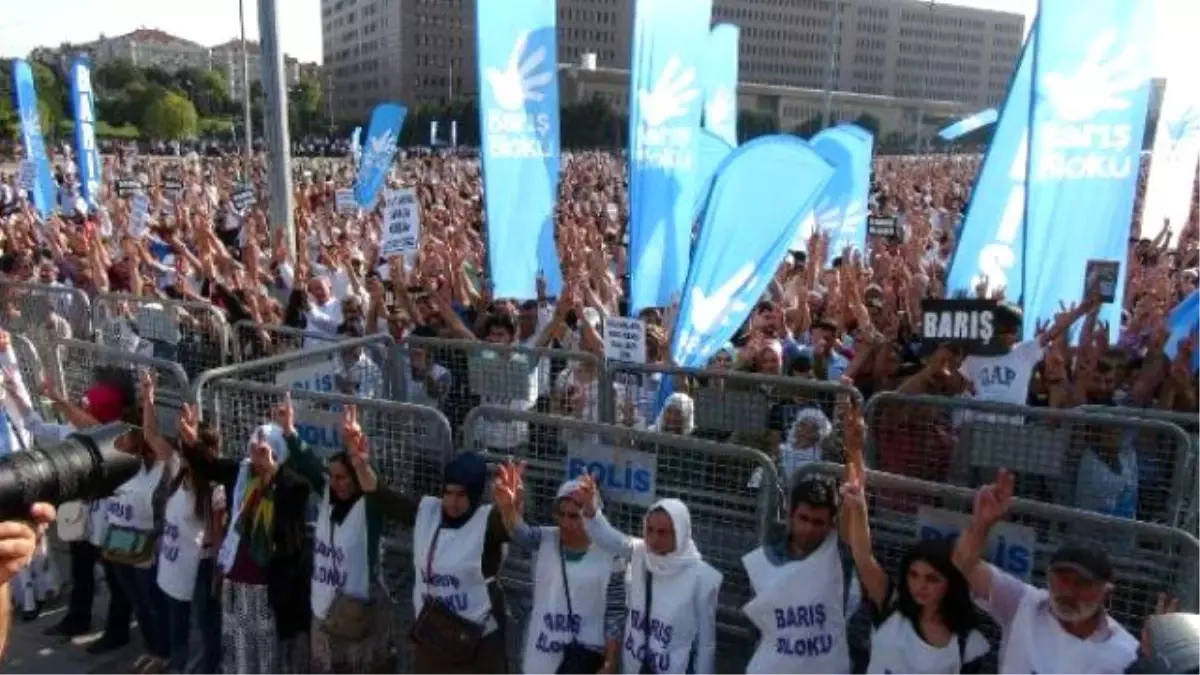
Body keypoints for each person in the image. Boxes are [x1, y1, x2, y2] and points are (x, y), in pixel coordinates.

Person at [838, 403, 989, 674]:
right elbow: (862, 554)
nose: (921, 585)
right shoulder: (891, 604)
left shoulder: (967, 643)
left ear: (951, 582)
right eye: (914, 575)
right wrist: (855, 453)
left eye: (932, 578)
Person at [952, 469, 1140, 672]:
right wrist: (982, 524)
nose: (1068, 591)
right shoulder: (1022, 605)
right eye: (1062, 580)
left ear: (1106, 593)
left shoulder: (1126, 654)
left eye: (1081, 584)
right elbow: (964, 563)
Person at [198, 394, 323, 675]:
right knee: (240, 652)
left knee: (270, 655)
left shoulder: (293, 486)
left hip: (271, 590)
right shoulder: (241, 476)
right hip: (238, 583)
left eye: (265, 452)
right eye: (255, 450)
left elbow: (287, 529)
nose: (257, 458)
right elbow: (206, 465)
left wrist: (272, 473)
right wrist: (192, 440)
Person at [575, 474, 722, 675]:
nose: (654, 538)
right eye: (650, 530)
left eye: (663, 532)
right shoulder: (640, 553)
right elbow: (609, 538)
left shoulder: (702, 578)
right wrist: (591, 511)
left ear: (680, 532)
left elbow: (706, 644)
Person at [492, 461, 625, 674]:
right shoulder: (546, 538)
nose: (565, 522)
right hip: (541, 656)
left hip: (584, 660)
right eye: (560, 514)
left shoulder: (611, 555)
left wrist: (610, 662)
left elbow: (615, 615)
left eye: (574, 515)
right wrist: (508, 508)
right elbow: (520, 533)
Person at [309, 405, 408, 675]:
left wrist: (359, 458)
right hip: (324, 607)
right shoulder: (329, 499)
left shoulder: (369, 509)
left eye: (343, 477)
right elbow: (305, 463)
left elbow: (375, 488)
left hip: (359, 612)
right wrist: (288, 432)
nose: (336, 483)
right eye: (332, 477)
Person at [409, 451, 512, 675]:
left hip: (478, 640)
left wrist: (511, 508)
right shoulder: (428, 510)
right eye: (448, 493)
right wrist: (360, 464)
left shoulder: (488, 520)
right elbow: (380, 494)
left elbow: (510, 528)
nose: (452, 502)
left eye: (461, 495)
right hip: (433, 636)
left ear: (474, 494)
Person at [0, 503, 57, 659]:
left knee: (35, 567)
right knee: (24, 573)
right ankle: (31, 604)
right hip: (17, 527)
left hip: (28, 526)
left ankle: (36, 601)